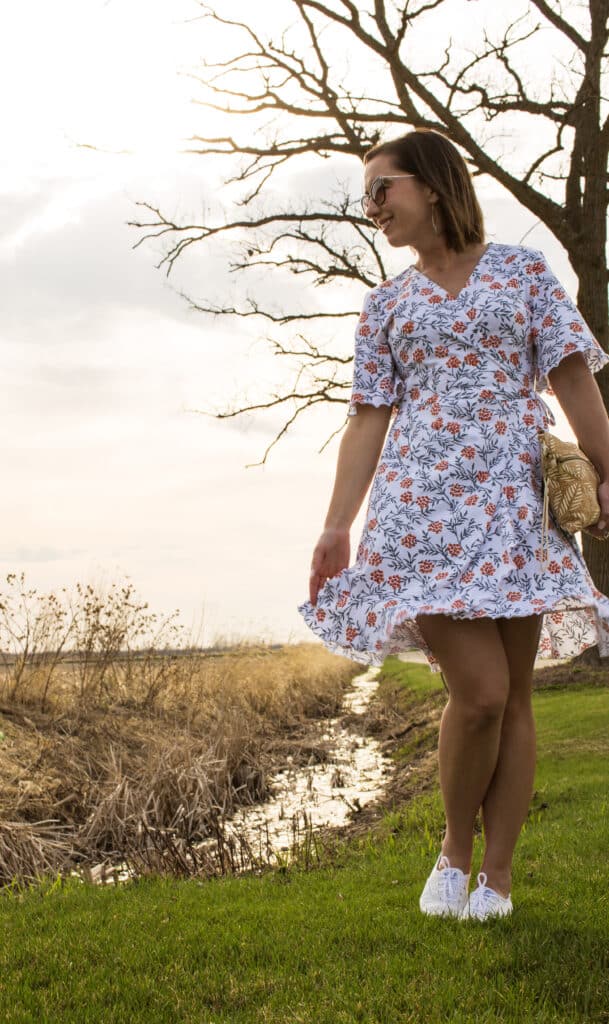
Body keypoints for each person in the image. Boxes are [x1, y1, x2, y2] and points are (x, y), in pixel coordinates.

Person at [297, 128, 609, 921]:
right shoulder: (386, 304)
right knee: (477, 694)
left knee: (515, 701)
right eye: (365, 196)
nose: (370, 208)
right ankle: (453, 853)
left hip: (513, 507)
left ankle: (496, 882)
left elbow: (572, 379)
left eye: (381, 190)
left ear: (432, 186)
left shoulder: (522, 273)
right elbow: (367, 417)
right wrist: (337, 528)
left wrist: (607, 469)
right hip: (419, 514)